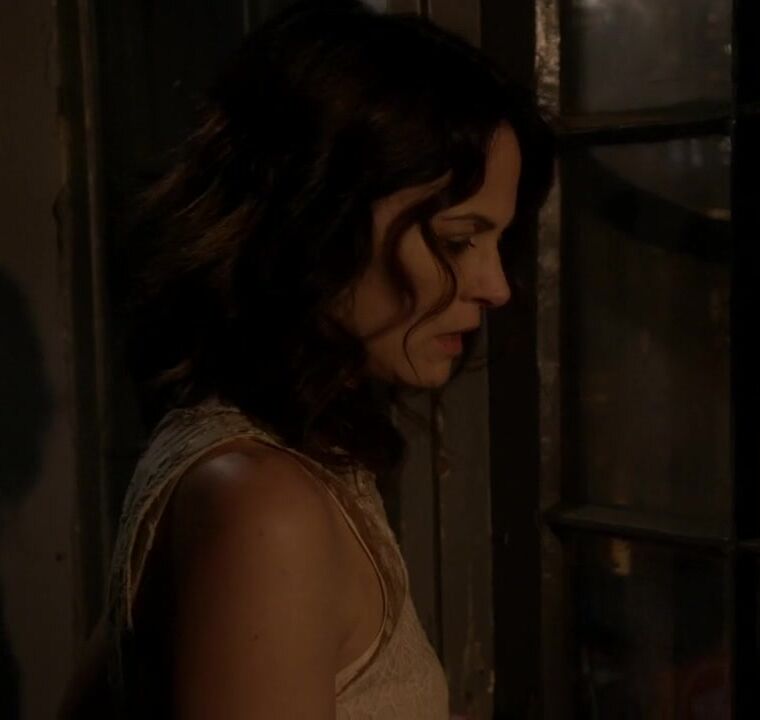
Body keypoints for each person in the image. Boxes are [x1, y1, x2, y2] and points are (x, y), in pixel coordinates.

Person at [58, 1, 554, 717]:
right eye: (456, 240)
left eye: (497, 241)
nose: (496, 286)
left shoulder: (249, 454)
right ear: (316, 222)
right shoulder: (262, 504)